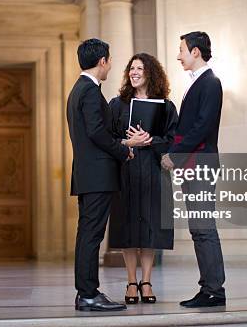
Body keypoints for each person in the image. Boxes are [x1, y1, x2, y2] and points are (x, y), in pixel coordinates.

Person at [66, 38, 141, 312]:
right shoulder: (88, 91)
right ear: (102, 61)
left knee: (88, 234)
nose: (110, 66)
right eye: (109, 61)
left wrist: (123, 144)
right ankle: (87, 294)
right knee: (91, 235)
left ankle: (86, 293)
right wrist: (123, 151)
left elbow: (95, 132)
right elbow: (96, 132)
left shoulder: (80, 89)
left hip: (89, 174)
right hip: (97, 174)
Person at [161, 31, 226, 308]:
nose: (178, 56)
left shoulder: (210, 82)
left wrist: (174, 154)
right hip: (194, 164)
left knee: (204, 228)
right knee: (198, 229)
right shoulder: (197, 82)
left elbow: (202, 127)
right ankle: (208, 288)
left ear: (195, 52)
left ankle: (214, 290)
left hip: (200, 163)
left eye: (181, 50)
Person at [108, 53, 177, 305]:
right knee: (128, 228)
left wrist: (149, 139)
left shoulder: (166, 106)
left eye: (140, 68)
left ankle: (146, 281)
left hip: (154, 172)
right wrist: (129, 141)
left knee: (149, 228)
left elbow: (173, 140)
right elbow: (107, 139)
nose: (134, 72)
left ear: (151, 73)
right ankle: (130, 281)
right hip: (125, 171)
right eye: (131, 68)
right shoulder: (117, 104)